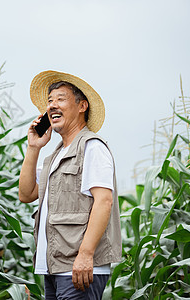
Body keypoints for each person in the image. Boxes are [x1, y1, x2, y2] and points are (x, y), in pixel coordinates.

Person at [19, 70, 122, 299]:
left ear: (82, 106)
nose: (52, 105)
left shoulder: (92, 147)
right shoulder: (54, 156)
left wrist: (86, 255)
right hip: (55, 268)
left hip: (80, 268)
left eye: (61, 99)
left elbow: (104, 201)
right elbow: (26, 194)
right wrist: (34, 147)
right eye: (49, 101)